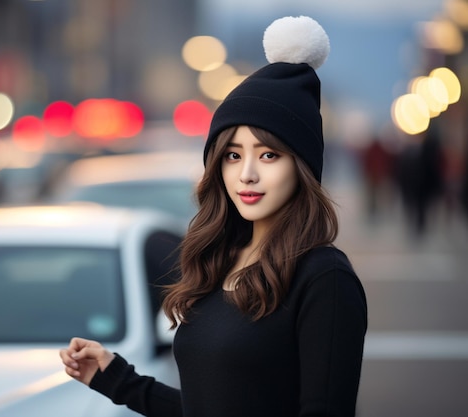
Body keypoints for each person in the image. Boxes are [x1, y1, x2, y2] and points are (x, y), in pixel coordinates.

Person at [60, 15, 368, 417]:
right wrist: (115, 378)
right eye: (233, 154)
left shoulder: (324, 277)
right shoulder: (217, 261)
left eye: (269, 154)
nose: (247, 174)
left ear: (302, 166)